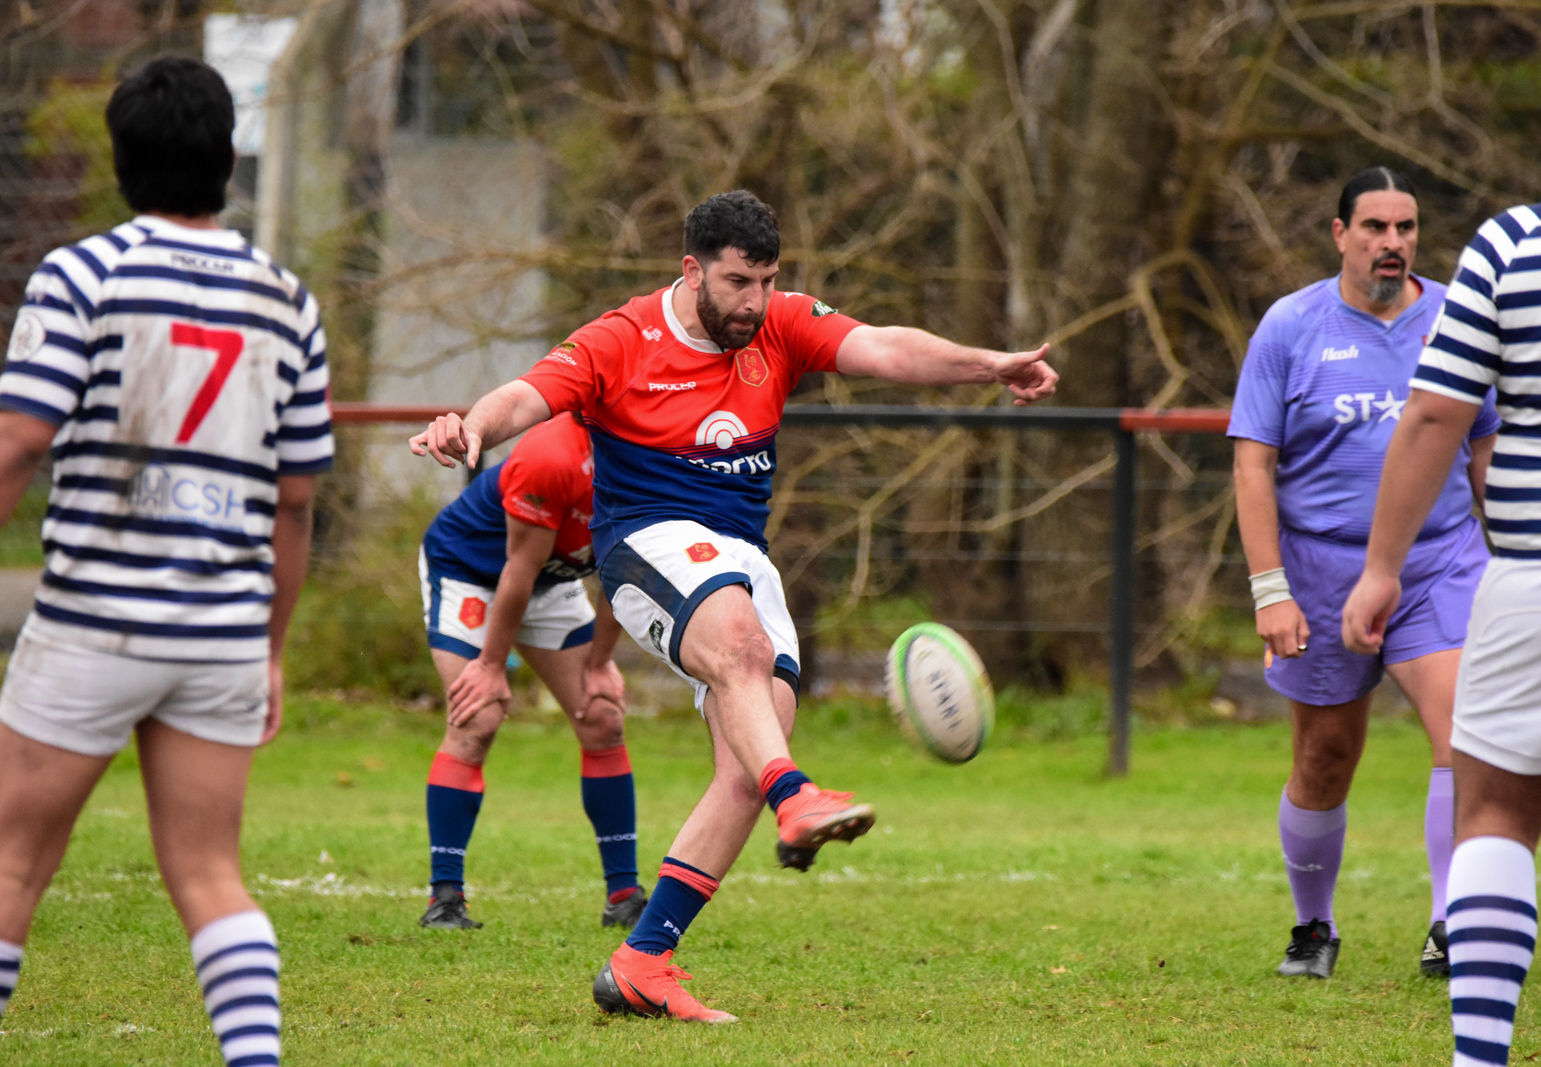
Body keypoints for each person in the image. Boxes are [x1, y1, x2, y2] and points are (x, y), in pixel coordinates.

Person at [411, 190, 1056, 1022]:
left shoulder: (781, 323)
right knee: (746, 669)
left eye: (767, 281)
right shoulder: (621, 338)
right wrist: (472, 424)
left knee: (744, 758)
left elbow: (883, 347)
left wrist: (990, 363)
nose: (753, 301)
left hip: (742, 557)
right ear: (692, 268)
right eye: (738, 282)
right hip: (646, 545)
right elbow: (526, 395)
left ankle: (643, 959)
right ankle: (799, 795)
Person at [0, 56, 331, 1067]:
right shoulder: (287, 300)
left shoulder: (81, 275)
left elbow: (18, 441)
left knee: (13, 863)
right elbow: (299, 499)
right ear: (228, 158)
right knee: (208, 869)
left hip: (96, 618)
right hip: (221, 632)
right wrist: (268, 647)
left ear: (119, 160)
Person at [1343, 59, 1541, 1066]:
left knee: (1494, 813)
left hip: (1536, 578)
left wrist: (1379, 567)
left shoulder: (1512, 242)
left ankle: (1478, 1058)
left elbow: (1438, 414)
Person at [1230, 166, 1498, 981]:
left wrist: (1518, 550)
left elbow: (1484, 445)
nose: (1392, 243)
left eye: (1406, 228)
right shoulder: (1290, 326)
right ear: (1340, 234)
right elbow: (1252, 465)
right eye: (1375, 227)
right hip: (1320, 570)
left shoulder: (1455, 318)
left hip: (1440, 558)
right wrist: (1270, 589)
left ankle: (1452, 924)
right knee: (1324, 758)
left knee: (1462, 734)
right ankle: (1313, 926)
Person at [415, 411, 645, 931]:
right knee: (478, 717)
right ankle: (445, 898)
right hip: (472, 571)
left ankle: (625, 896)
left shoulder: (658, 453)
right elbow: (516, 570)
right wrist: (492, 666)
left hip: (551, 579)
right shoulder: (552, 455)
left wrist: (602, 663)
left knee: (602, 717)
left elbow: (624, 569)